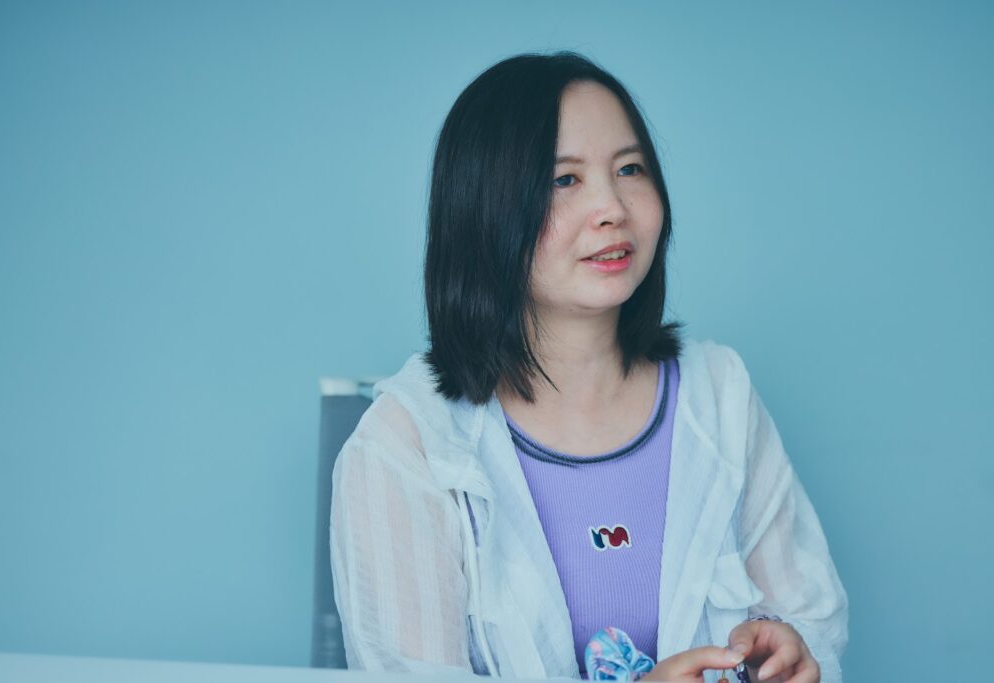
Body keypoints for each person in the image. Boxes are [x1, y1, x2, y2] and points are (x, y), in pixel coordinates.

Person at [329, 51, 848, 683]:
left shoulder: (721, 395)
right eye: (564, 180)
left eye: (630, 168)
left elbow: (813, 620)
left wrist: (789, 653)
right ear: (484, 209)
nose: (612, 207)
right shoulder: (404, 445)